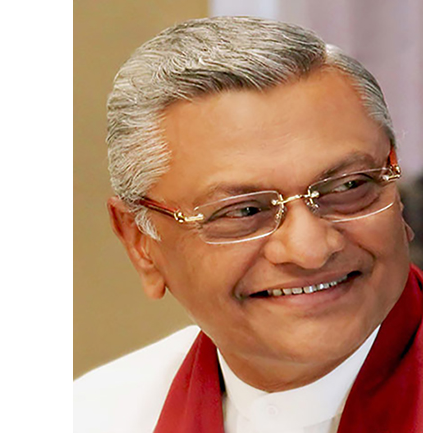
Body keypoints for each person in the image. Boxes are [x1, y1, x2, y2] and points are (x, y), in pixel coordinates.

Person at [74, 16, 422, 433]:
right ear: (140, 243)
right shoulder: (92, 415)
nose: (310, 250)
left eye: (348, 186)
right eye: (243, 211)